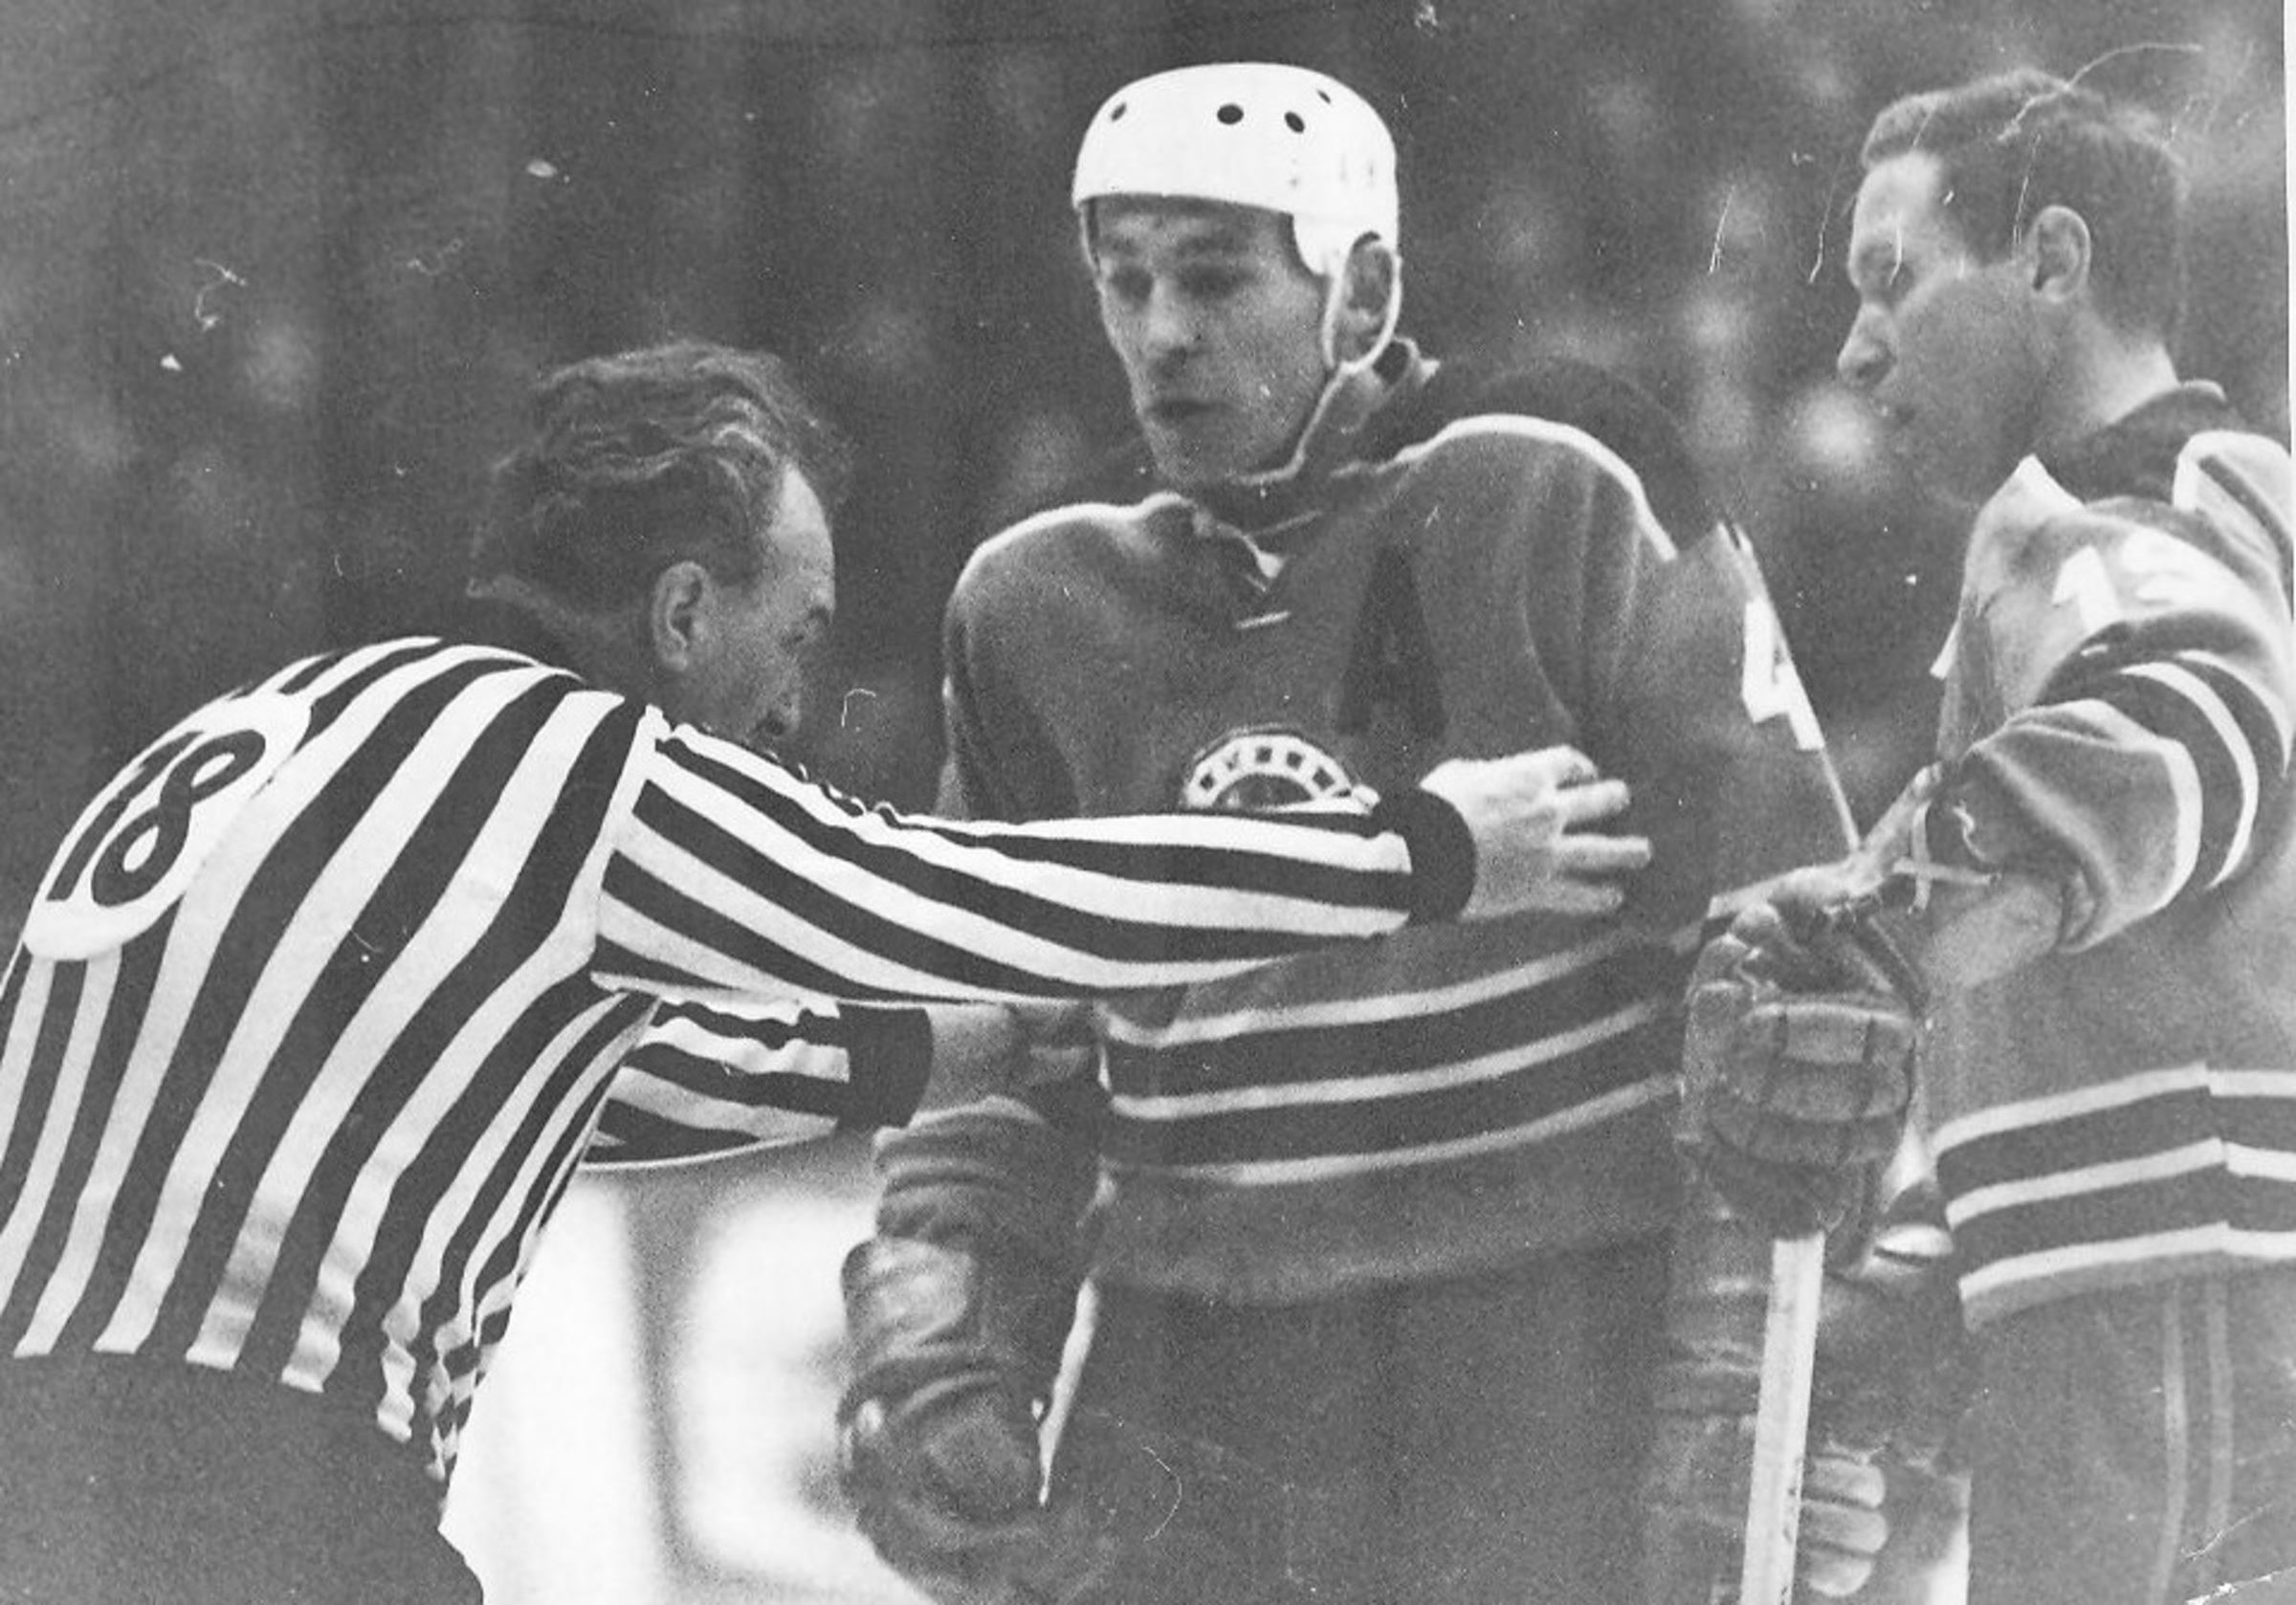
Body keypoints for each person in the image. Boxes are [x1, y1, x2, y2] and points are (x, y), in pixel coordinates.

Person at [0, 338, 1649, 1604]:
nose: (796, 707)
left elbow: (546, 1084)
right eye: (793, 636)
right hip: (246, 1486)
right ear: (680, 612)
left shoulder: (287, 722)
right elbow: (949, 893)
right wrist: (1419, 852)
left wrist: (926, 1059)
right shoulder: (583, 763)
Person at [835, 63, 1879, 1605]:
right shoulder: (1033, 603)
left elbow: (1798, 959)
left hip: (1546, 1336)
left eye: (1214, 277)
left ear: (1365, 289)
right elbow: (1003, 1043)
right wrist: (944, 1334)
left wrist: (1751, 1377)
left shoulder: (1564, 479)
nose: (1161, 331)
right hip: (1190, 1361)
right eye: (1126, 282)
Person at [1683, 67, 2296, 1605]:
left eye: (1894, 277)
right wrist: (1920, 1279)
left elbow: (2191, 717)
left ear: (2053, 261)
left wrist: (1882, 913)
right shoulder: (2191, 512)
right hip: (2158, 1275)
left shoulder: (2126, 511)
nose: (1854, 344)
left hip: (2177, 1285)